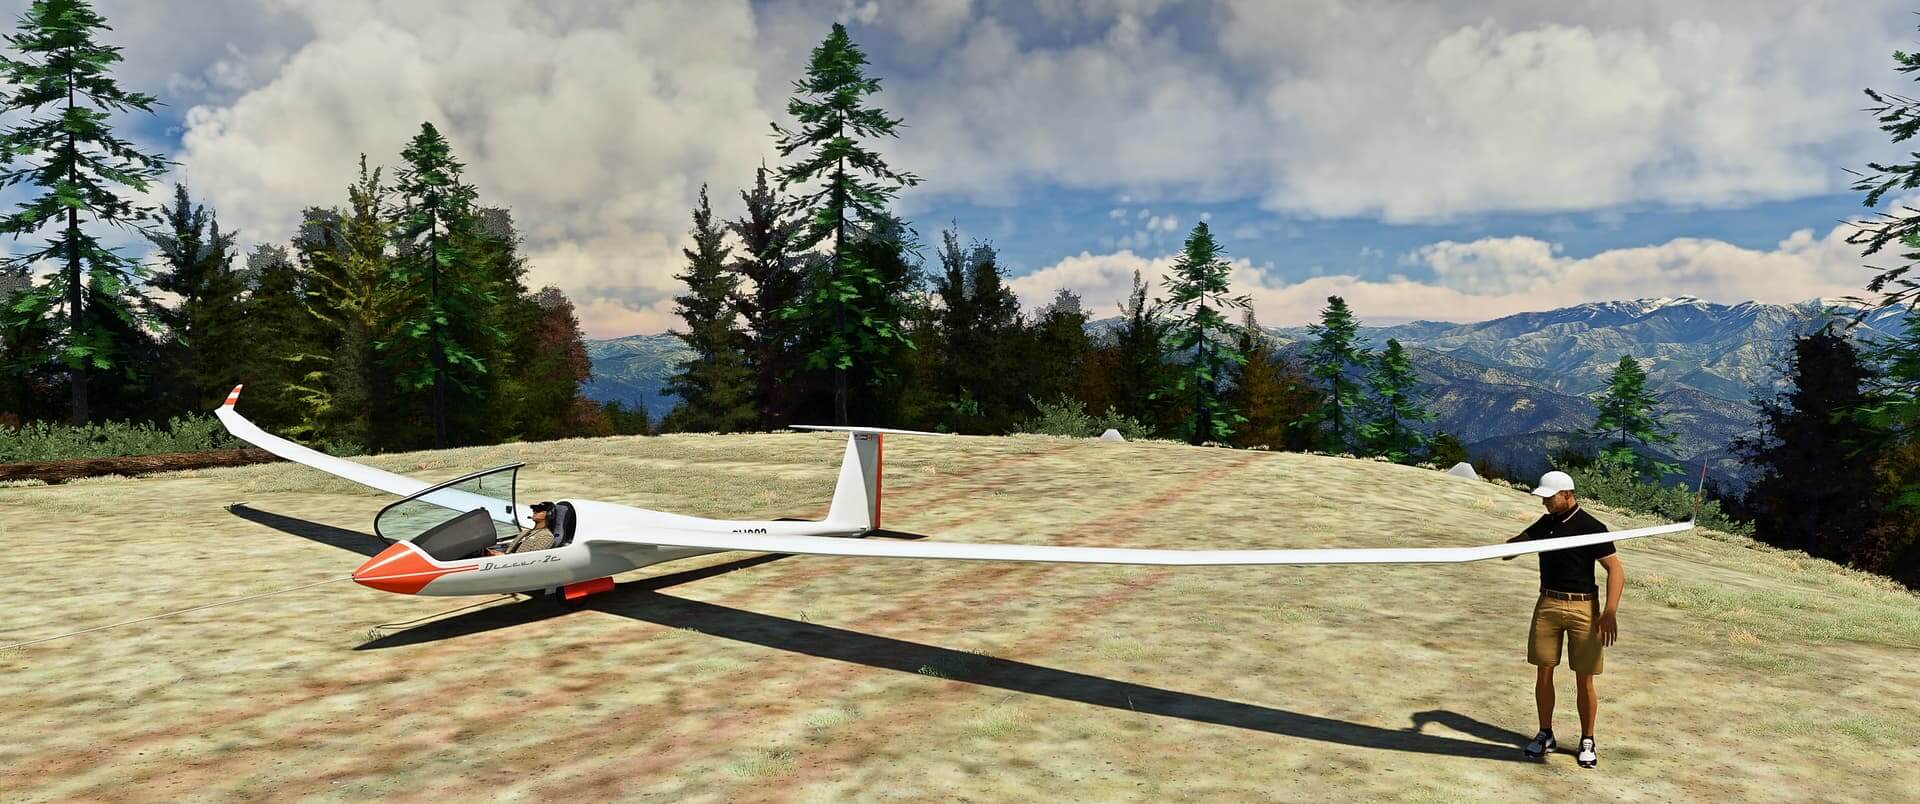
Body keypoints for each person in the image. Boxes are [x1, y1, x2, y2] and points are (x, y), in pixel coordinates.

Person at [1502, 470, 1622, 769]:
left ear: (1567, 495)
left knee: (1585, 678)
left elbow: (1616, 571)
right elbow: (1512, 549)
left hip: (1584, 609)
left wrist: (1609, 612)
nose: (1544, 503)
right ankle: (1546, 733)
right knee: (1543, 672)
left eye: (1549, 497)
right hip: (1548, 604)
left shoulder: (1592, 527)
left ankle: (1587, 739)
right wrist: (1511, 547)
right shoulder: (1546, 524)